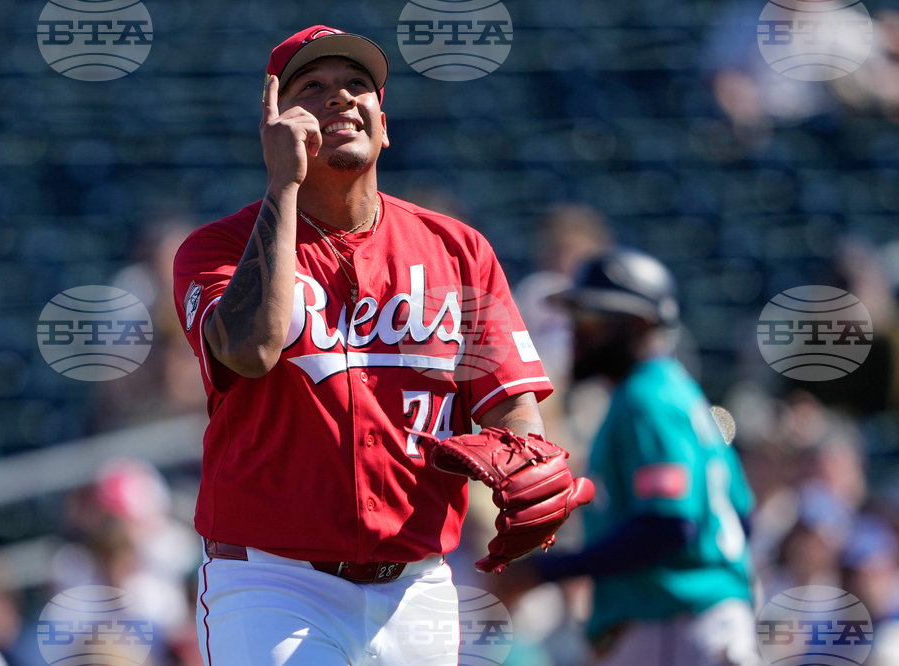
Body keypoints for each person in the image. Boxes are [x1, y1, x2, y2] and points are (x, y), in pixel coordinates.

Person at [172, 25, 558, 666]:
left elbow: (509, 401)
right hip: (273, 582)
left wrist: (528, 457)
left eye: (358, 86)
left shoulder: (459, 251)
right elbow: (250, 348)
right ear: (274, 120)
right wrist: (283, 186)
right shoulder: (215, 250)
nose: (341, 98)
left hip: (419, 585)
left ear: (384, 125)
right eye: (313, 88)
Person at [513, 248, 759, 665]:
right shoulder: (676, 392)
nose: (575, 332)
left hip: (677, 623)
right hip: (696, 620)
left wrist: (547, 570)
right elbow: (743, 515)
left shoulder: (647, 398)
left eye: (590, 320)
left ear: (639, 324)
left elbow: (669, 523)